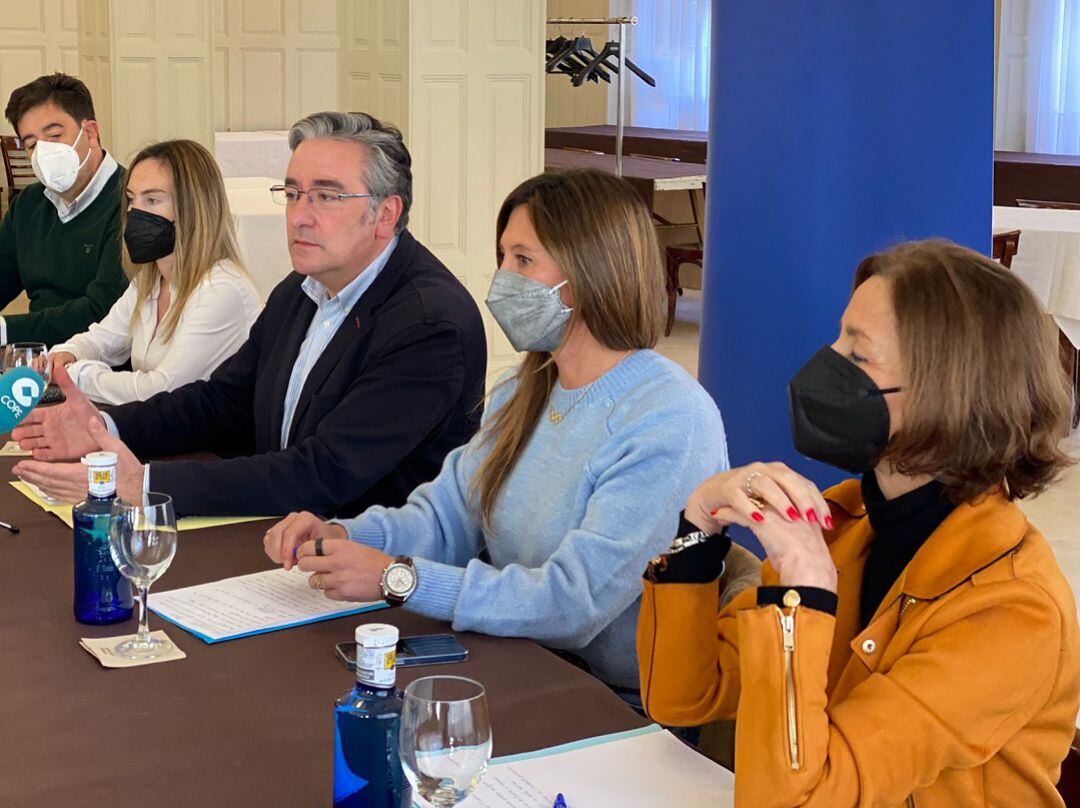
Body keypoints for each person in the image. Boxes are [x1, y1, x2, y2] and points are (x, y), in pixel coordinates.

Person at [638, 240, 1080, 807]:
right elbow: (682, 695)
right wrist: (698, 530)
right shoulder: (847, 521)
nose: (826, 362)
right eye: (838, 338)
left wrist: (800, 598)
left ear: (947, 392)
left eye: (858, 354)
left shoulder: (1014, 610)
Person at [262, 169, 729, 695]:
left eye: (523, 260)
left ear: (591, 271)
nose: (501, 278)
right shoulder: (522, 388)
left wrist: (399, 578)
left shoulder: (668, 416)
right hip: (517, 661)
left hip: (612, 703)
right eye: (503, 256)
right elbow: (447, 517)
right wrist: (345, 535)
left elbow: (573, 605)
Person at [12, 111, 487, 519]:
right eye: (294, 193)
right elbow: (222, 403)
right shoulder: (301, 290)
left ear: (386, 214)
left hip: (375, 574)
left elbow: (323, 472)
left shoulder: (428, 323)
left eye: (326, 196)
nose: (300, 215)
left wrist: (146, 483)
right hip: (281, 537)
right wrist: (105, 428)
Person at [48, 139, 261, 405]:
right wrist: (68, 353)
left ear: (192, 208)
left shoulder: (222, 289)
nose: (134, 212)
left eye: (152, 199)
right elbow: (101, 340)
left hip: (216, 443)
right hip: (164, 434)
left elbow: (163, 390)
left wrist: (77, 375)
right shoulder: (148, 281)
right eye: (131, 199)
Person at [0, 73, 127, 345]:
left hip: (102, 368)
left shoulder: (130, 202)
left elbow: (102, 311)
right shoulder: (27, 205)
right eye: (32, 144)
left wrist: (4, 330)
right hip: (37, 363)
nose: (44, 151)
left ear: (90, 133)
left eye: (55, 135)